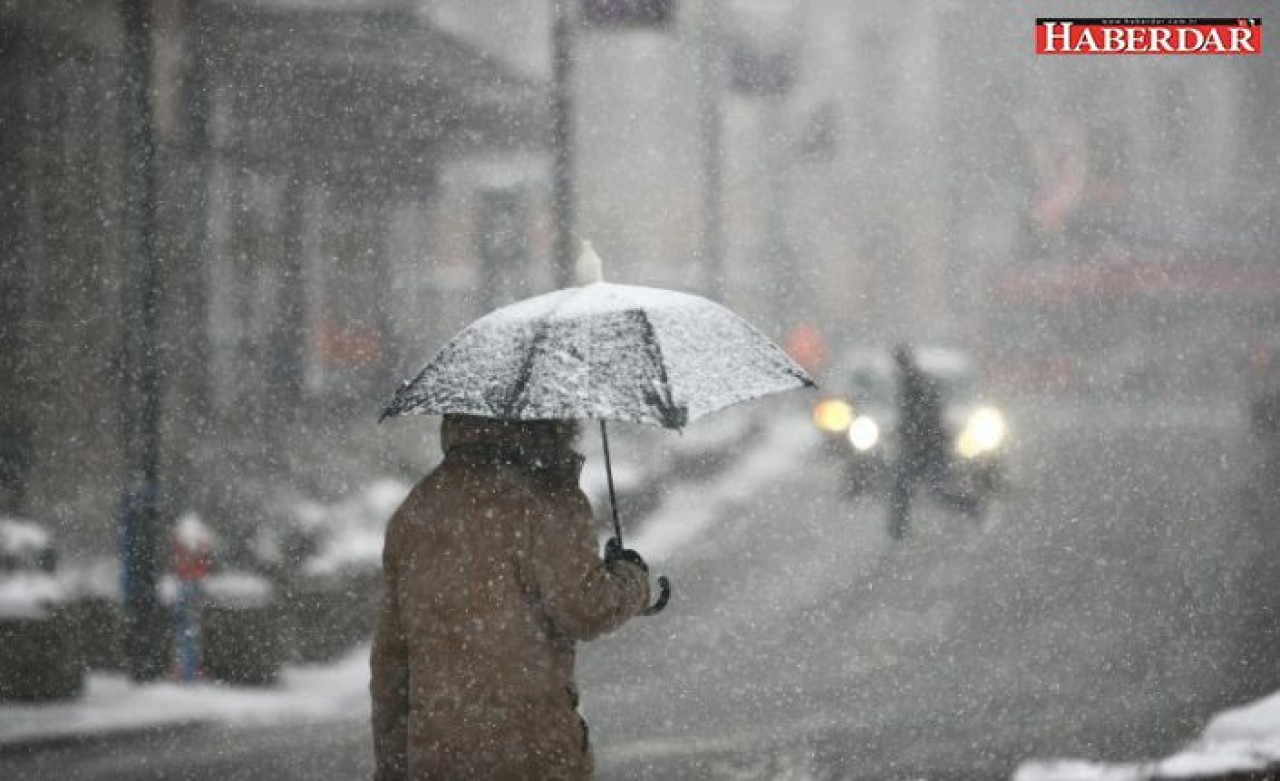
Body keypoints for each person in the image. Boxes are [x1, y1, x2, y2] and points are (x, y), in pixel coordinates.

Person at [370, 414, 651, 780]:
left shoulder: (418, 507)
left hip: (438, 754)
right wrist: (632, 579)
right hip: (531, 750)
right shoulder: (548, 499)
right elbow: (586, 609)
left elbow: (391, 659)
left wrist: (392, 764)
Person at [887, 344, 948, 540]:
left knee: (905, 489)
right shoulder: (915, 380)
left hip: (923, 446)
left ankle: (897, 533)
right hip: (926, 445)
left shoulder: (913, 382)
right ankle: (897, 533)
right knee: (923, 490)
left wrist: (910, 433)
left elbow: (922, 416)